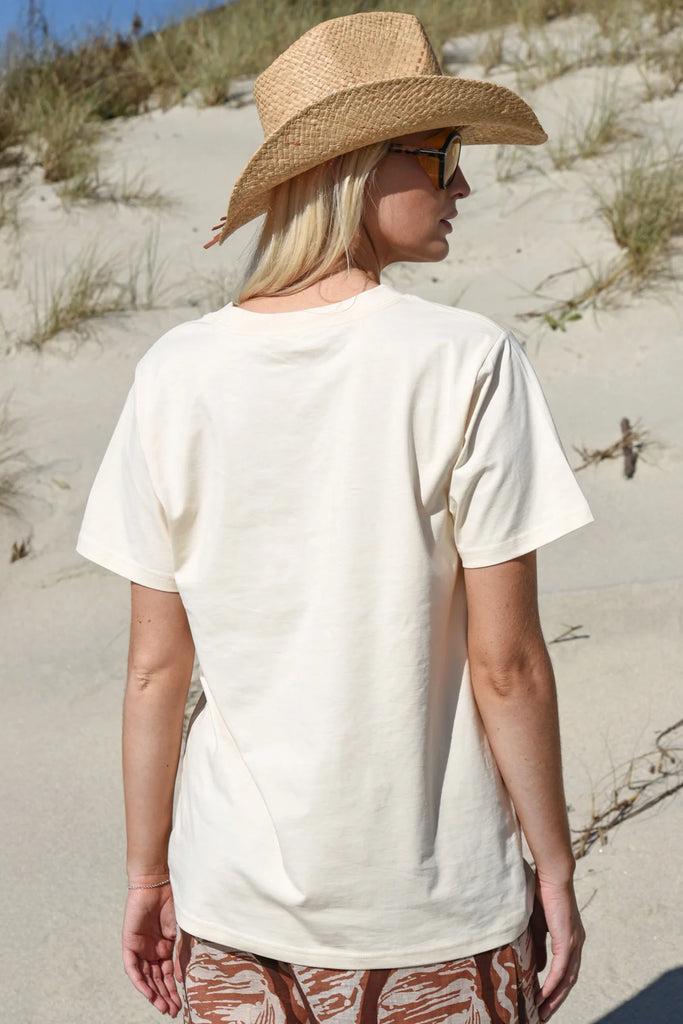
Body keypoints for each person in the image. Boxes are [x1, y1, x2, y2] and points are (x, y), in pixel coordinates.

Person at [77, 11, 593, 1024]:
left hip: (232, 906)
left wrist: (147, 876)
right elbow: (506, 666)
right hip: (437, 909)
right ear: (357, 166)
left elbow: (153, 671)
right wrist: (555, 869)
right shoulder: (466, 360)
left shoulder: (174, 373)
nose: (461, 186)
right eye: (440, 155)